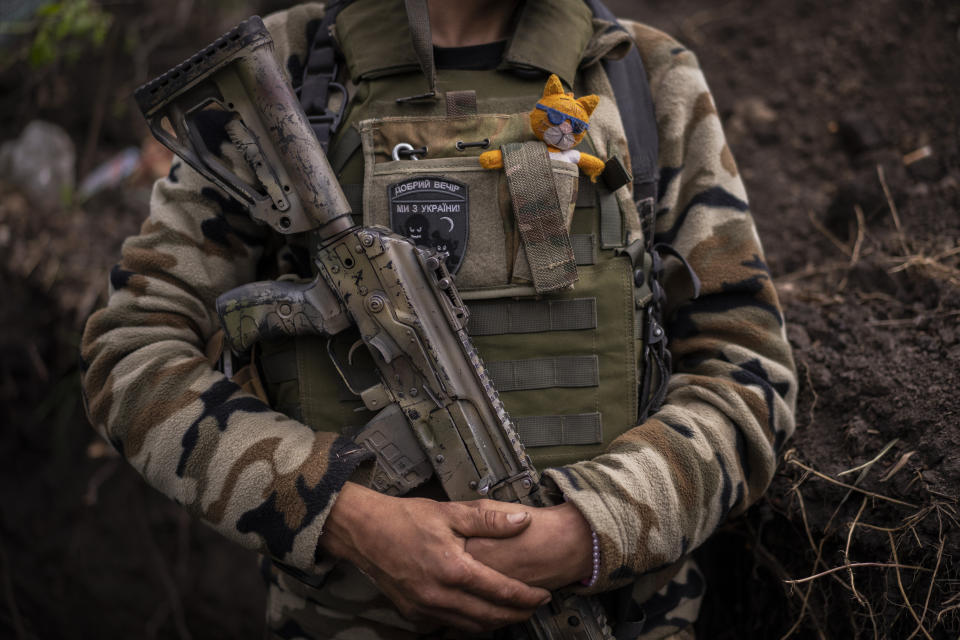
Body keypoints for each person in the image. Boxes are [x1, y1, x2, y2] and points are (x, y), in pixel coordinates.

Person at [80, 1, 797, 638]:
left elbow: (747, 377)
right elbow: (134, 352)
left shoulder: (642, 78)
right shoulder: (284, 75)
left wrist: (591, 530)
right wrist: (341, 515)